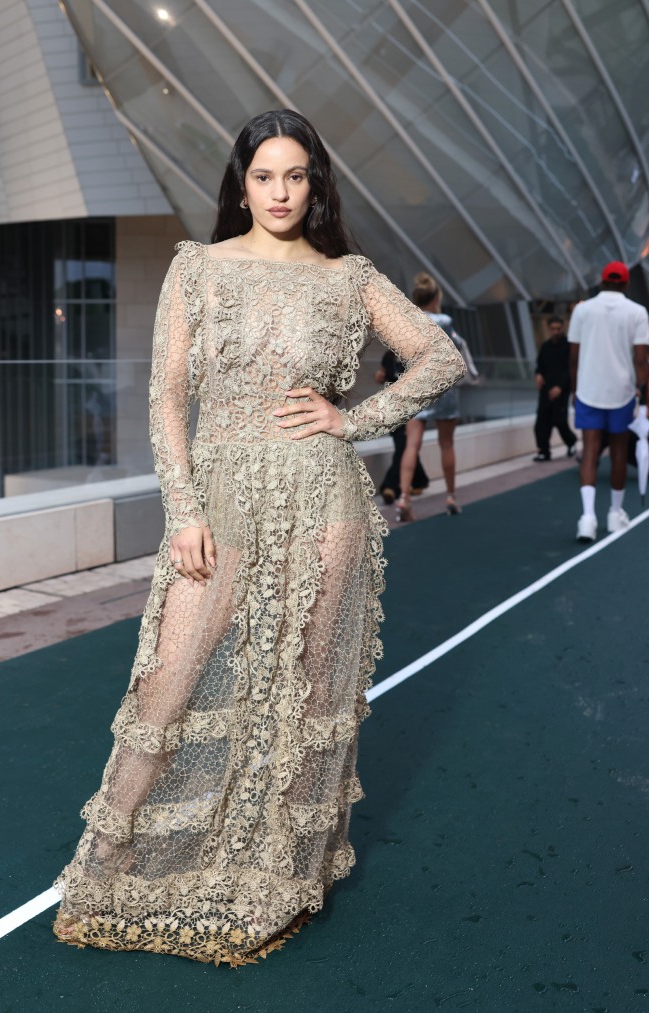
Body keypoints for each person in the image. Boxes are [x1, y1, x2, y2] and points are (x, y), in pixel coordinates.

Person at [52, 110, 465, 965]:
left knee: (308, 694)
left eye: (296, 176)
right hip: (222, 496)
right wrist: (184, 509)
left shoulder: (348, 277)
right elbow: (167, 397)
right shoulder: (197, 268)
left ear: (316, 185)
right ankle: (113, 867)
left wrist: (354, 419)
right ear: (241, 182)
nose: (280, 192)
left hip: (324, 499)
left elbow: (438, 357)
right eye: (265, 175)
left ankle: (279, 875)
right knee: (169, 680)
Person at [569, 260, 649, 542]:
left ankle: (587, 518)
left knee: (590, 450)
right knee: (618, 450)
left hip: (589, 390)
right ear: (625, 284)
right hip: (622, 392)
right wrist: (645, 397)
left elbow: (574, 358)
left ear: (602, 282)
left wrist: (575, 391)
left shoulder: (582, 310)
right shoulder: (638, 313)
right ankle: (615, 515)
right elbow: (642, 359)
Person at [396, 273, 474, 521]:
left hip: (417, 387)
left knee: (411, 445)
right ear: (436, 296)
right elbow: (457, 347)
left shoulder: (409, 320)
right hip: (443, 388)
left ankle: (404, 498)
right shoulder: (445, 320)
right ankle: (451, 497)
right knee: (447, 444)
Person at [374, 348, 430, 503]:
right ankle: (419, 480)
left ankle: (391, 486)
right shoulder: (389, 357)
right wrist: (380, 376)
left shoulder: (414, 357)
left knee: (404, 447)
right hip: (393, 410)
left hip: (412, 411)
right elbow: (383, 374)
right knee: (404, 446)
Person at [532, 315, 577, 461]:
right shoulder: (545, 346)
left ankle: (571, 441)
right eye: (553, 329)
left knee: (559, 420)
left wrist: (561, 387)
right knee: (541, 422)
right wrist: (538, 375)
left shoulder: (569, 346)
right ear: (549, 329)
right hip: (546, 389)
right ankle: (544, 451)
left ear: (562, 328)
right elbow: (540, 366)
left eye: (558, 329)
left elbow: (570, 369)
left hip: (561, 390)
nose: (556, 331)